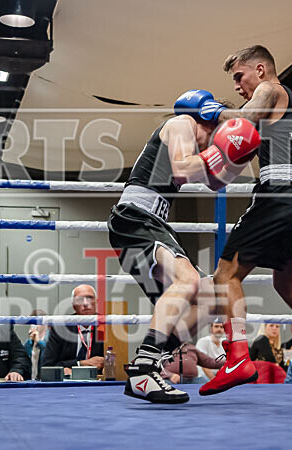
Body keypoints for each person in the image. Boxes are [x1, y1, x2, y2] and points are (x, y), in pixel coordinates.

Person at [175, 44, 292, 399]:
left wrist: (212, 111)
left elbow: (247, 116)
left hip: (279, 194)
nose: (239, 85)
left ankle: (238, 358)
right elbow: (239, 146)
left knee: (225, 275)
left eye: (239, 76)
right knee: (287, 286)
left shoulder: (269, 89)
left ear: (260, 69)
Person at [108, 112, 259, 404]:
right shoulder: (182, 124)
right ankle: (143, 368)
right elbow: (180, 169)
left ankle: (154, 364)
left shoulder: (200, 145)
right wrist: (220, 150)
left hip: (152, 223)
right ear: (209, 123)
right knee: (187, 279)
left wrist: (236, 157)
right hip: (136, 216)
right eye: (214, 138)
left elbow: (215, 183)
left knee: (212, 294)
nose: (209, 148)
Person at [42, 285, 105, 377]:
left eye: (90, 298)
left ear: (96, 302)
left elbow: (118, 362)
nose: (86, 303)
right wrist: (81, 364)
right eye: (80, 300)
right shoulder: (61, 328)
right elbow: (46, 366)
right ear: (73, 306)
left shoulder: (107, 325)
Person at [24, 309, 49, 380]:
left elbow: (49, 354)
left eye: (36, 322)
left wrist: (39, 341)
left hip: (44, 380)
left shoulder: (51, 338)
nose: (34, 325)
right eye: (32, 322)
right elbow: (24, 359)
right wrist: (30, 341)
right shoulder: (29, 342)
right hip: (31, 380)